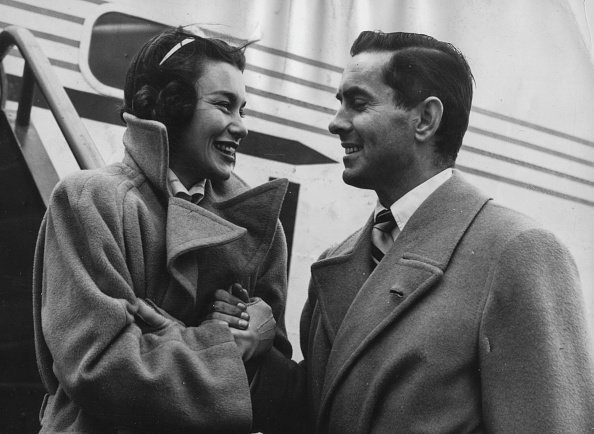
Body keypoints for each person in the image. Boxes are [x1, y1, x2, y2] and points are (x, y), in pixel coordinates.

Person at [215, 30, 594, 432]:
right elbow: (324, 411)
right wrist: (252, 351)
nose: (335, 123)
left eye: (358, 103)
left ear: (425, 119)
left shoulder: (516, 251)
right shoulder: (335, 262)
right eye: (339, 103)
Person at [32, 27, 292, 433]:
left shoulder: (258, 224)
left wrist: (258, 338)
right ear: (171, 105)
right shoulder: (92, 200)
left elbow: (271, 382)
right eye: (225, 105)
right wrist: (231, 344)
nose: (241, 126)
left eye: (243, 110)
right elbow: (97, 365)